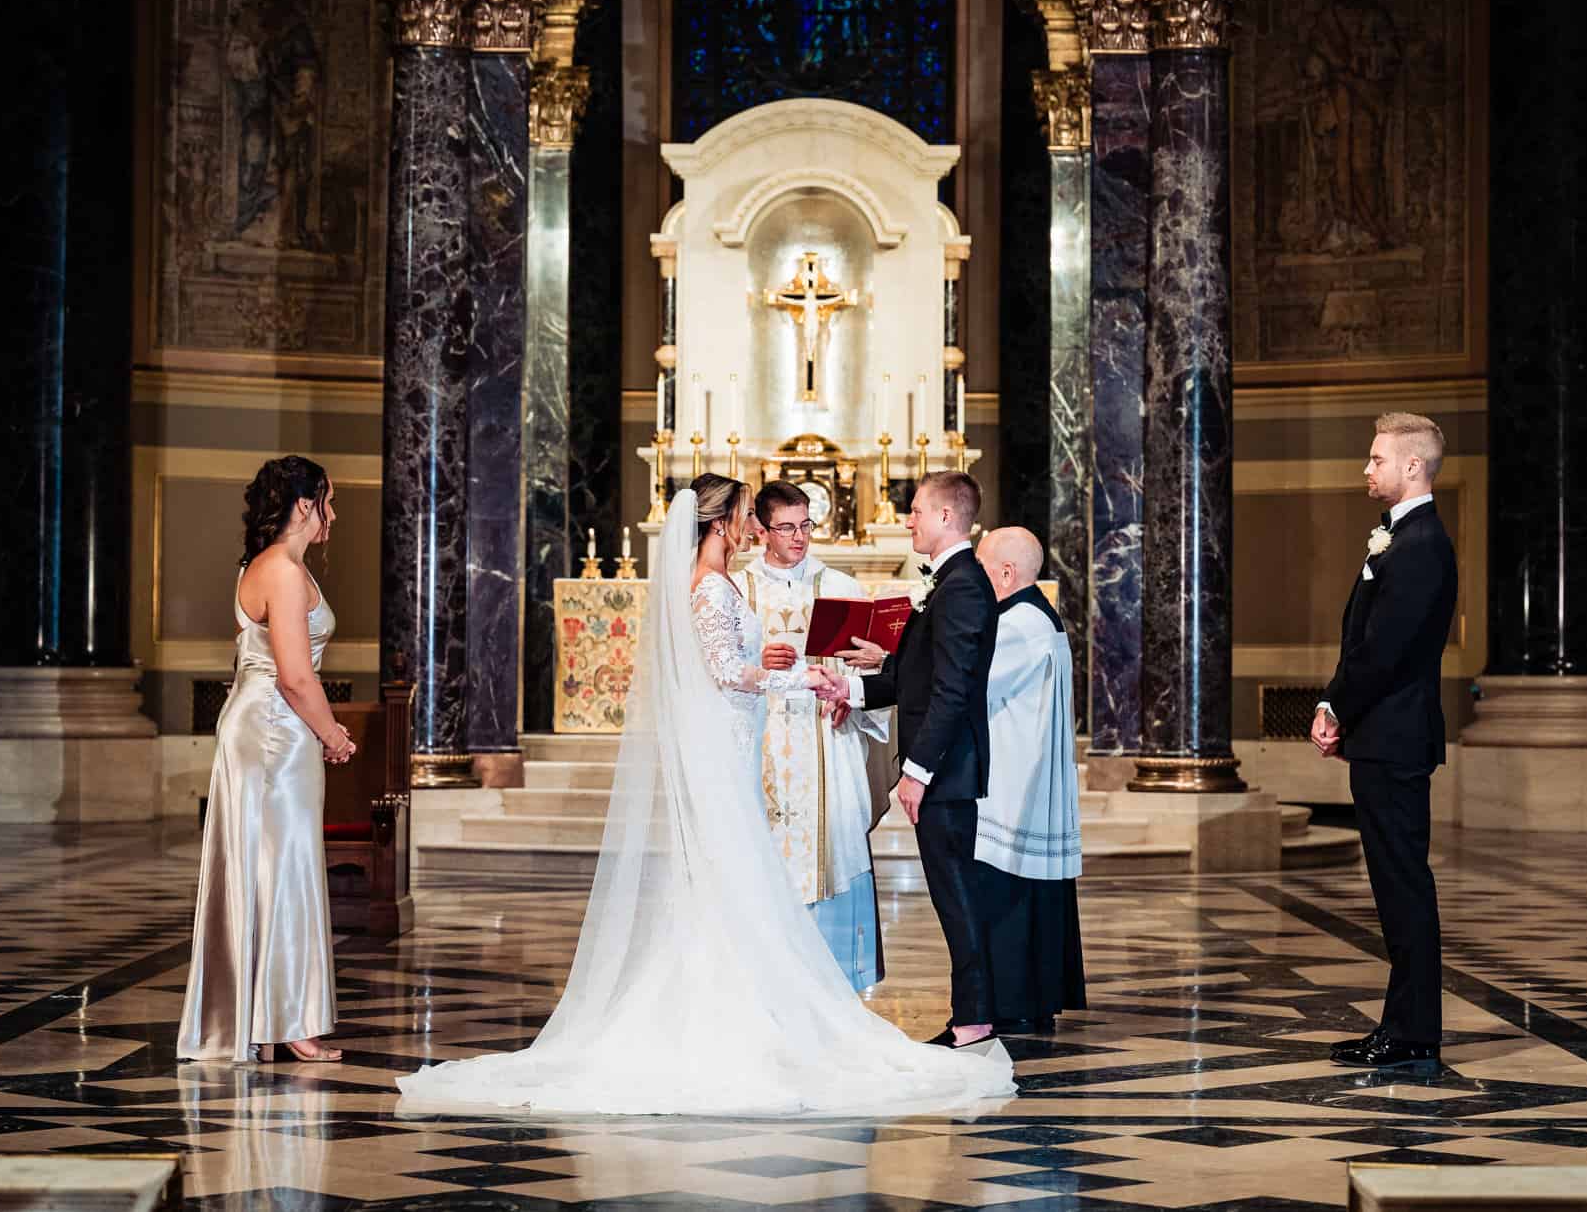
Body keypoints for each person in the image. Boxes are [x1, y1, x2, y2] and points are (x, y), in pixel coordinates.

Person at [395, 477, 1014, 1115]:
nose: (762, 530)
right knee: (733, 877)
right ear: (727, 525)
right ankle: (737, 1013)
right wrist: (796, 675)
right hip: (737, 743)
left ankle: (758, 1005)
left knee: (731, 882)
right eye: (757, 518)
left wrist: (833, 687)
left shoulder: (749, 582)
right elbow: (726, 672)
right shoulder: (718, 585)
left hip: (748, 743)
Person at [179, 456, 356, 1064]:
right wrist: (332, 734)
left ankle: (263, 1012)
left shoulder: (268, 566)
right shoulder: (281, 570)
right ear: (303, 505)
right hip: (275, 732)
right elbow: (294, 679)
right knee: (286, 865)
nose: (332, 514)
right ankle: (285, 1018)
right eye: (327, 502)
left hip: (259, 726)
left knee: (268, 863)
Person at [1312, 412, 1459, 1076]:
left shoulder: (1421, 542)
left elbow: (1387, 650)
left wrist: (1338, 704)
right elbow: (1366, 642)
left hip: (1395, 740)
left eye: (1376, 459)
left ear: (1412, 467)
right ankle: (1403, 1026)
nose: (1365, 469)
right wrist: (1329, 700)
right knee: (1395, 887)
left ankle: (1412, 1031)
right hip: (1383, 738)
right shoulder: (1401, 538)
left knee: (1403, 887)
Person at [839, 470, 1002, 1048]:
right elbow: (921, 677)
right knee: (950, 891)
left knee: (955, 893)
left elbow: (954, 690)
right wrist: (851, 691)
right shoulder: (952, 582)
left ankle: (974, 1019)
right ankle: (973, 1014)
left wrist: (917, 770)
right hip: (946, 769)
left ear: (945, 518)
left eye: (916, 510)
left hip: (947, 772)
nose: (908, 520)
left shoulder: (960, 586)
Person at [738, 480, 895, 991]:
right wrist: (757, 662)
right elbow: (715, 669)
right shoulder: (738, 590)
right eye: (786, 527)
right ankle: (764, 978)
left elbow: (869, 665)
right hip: (760, 742)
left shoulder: (842, 587)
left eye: (806, 525)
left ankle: (834, 982)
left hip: (826, 741)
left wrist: (853, 692)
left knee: (834, 841)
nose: (800, 537)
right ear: (761, 530)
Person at [972, 527, 1087, 1034]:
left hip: (1013, 786)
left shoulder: (1017, 624)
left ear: (1005, 573)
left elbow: (970, 685)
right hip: (1026, 778)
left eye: (980, 565)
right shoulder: (1035, 616)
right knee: (1028, 894)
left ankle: (1013, 1002)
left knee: (1009, 892)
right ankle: (1029, 1001)